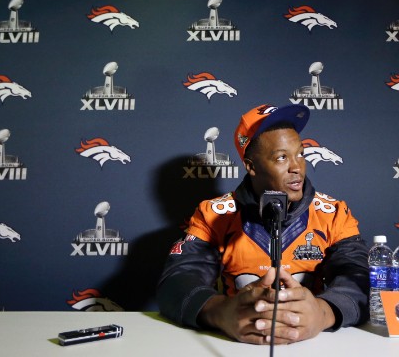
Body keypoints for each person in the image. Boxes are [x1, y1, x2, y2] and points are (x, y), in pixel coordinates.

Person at [156, 103, 369, 344]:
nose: (297, 167)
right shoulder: (213, 214)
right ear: (251, 166)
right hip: (236, 343)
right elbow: (177, 281)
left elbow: (360, 276)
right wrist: (221, 313)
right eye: (281, 157)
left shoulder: (334, 213)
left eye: (300, 154)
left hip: (312, 343)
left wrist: (323, 313)